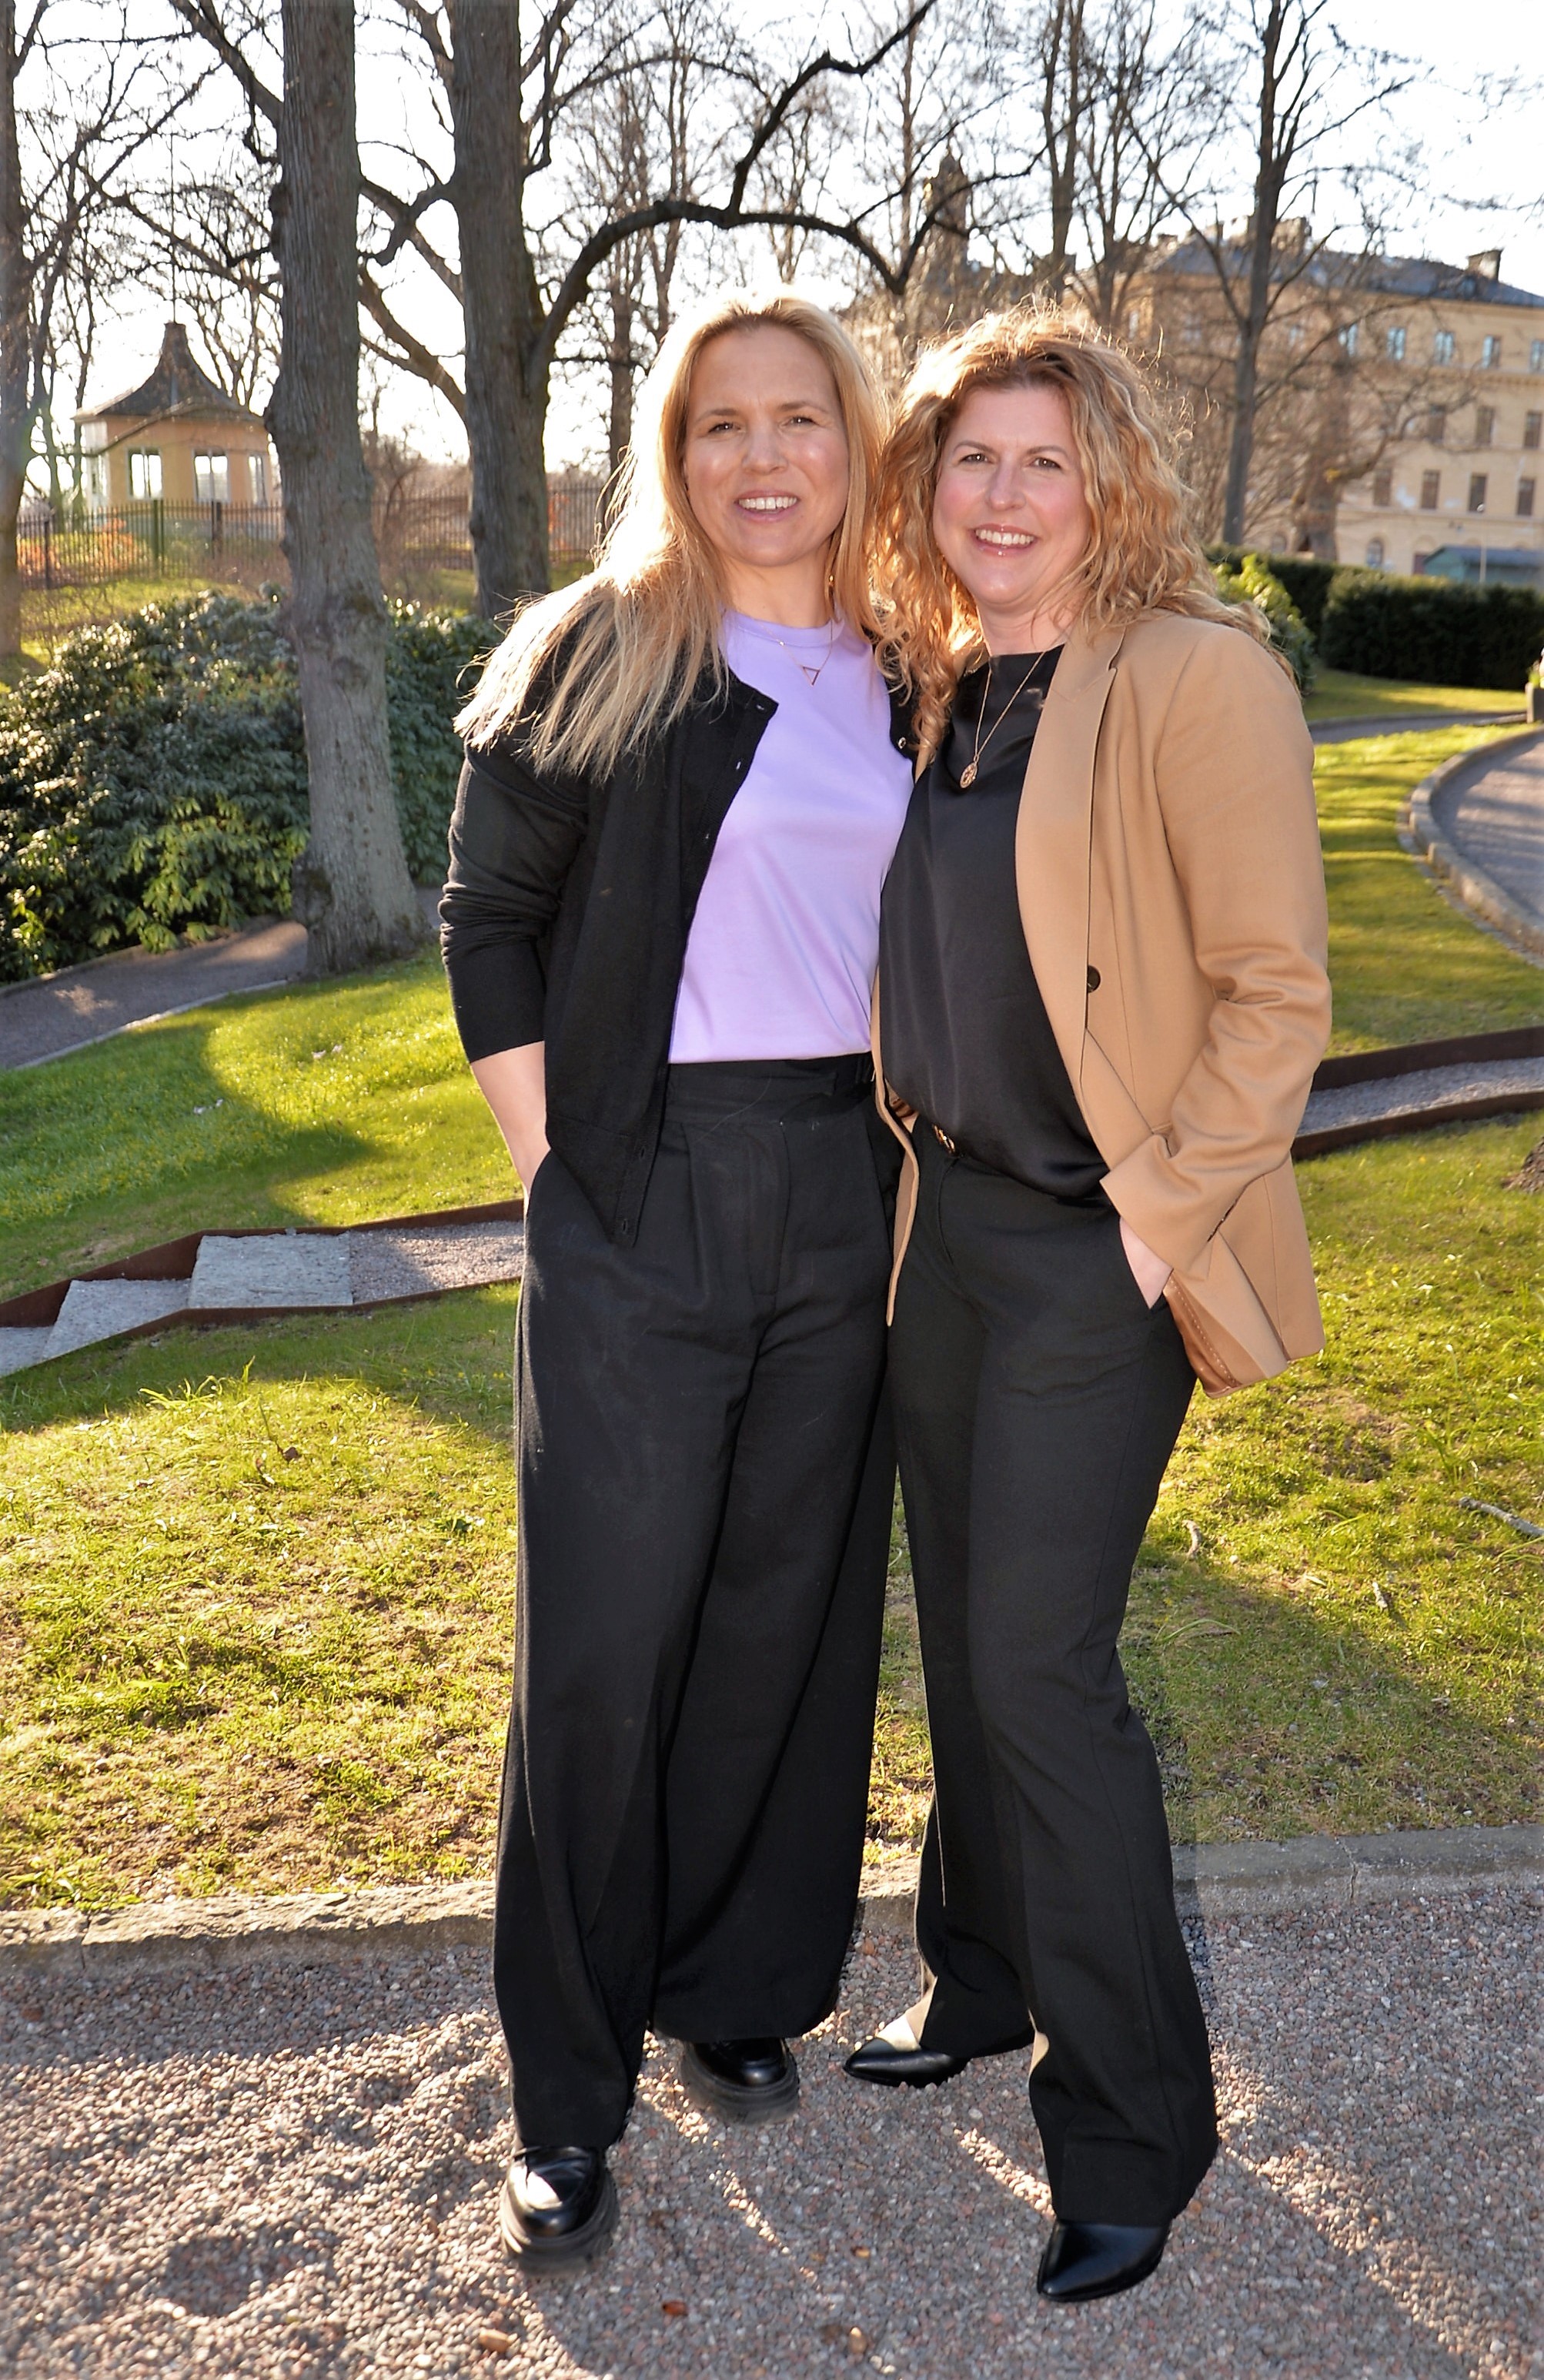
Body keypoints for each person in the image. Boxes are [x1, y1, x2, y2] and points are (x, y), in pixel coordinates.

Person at [845, 309, 1332, 2306]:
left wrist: (1149, 1222)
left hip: (1092, 1247)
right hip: (944, 1225)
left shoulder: (1193, 676)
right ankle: (978, 1971)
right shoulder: (942, 684)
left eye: (1039, 459)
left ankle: (1134, 2126)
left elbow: (1274, 994)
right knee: (963, 1631)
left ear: (1104, 478)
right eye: (969, 458)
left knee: (1040, 1669)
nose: (1001, 493)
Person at [439, 291, 912, 2268]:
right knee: (605, 1640)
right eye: (721, 422)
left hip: (846, 1183)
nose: (761, 456)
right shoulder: (604, 646)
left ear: (852, 443)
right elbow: (489, 919)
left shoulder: (914, 664)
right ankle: (565, 2094)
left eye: (798, 418)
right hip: (642, 1179)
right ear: (675, 449)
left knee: (780, 1615)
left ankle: (732, 1987)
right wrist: (562, 1174)